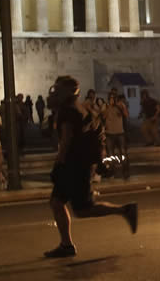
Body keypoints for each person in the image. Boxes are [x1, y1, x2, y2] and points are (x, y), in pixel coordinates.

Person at [44, 76, 137, 258]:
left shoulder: (68, 111)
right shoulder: (81, 108)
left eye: (58, 89)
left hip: (74, 166)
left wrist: (59, 164)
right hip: (81, 165)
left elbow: (66, 140)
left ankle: (125, 210)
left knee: (82, 209)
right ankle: (66, 244)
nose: (54, 92)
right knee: (58, 202)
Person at [104, 93, 130, 180]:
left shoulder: (120, 106)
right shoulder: (106, 107)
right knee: (110, 154)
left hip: (120, 133)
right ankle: (112, 172)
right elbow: (103, 117)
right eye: (110, 98)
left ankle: (125, 172)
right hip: (109, 133)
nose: (112, 100)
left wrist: (121, 107)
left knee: (123, 152)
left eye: (113, 98)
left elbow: (126, 115)